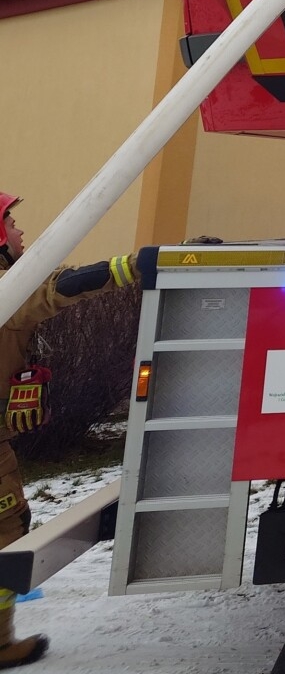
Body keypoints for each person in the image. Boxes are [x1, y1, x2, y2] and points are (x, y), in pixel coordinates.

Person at [0, 193, 154, 669]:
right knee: (5, 532)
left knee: (8, 530)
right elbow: (55, 290)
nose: (21, 232)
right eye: (11, 222)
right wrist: (134, 267)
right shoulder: (6, 292)